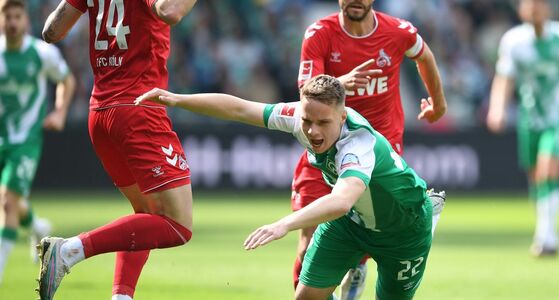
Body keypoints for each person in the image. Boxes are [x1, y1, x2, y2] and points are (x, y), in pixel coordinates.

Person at [136, 74, 436, 300]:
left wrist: (284, 224)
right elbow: (239, 109)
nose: (312, 131)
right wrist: (176, 99)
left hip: (404, 230)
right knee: (306, 296)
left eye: (323, 122)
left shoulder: (358, 143)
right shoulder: (297, 117)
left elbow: (341, 200)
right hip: (351, 224)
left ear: (342, 116)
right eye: (307, 120)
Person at [36, 1, 197, 299]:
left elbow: (51, 32)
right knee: (178, 225)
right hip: (138, 110)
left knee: (146, 215)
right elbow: (169, 11)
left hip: (100, 114)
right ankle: (70, 250)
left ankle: (121, 297)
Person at [295, 0, 447, 297]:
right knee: (307, 243)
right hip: (326, 149)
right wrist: (340, 84)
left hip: (377, 154)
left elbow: (424, 56)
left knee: (375, 225)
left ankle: (364, 258)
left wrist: (438, 104)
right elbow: (306, 92)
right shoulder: (319, 33)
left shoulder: (398, 31)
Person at [486, 0, 559, 257]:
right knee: (536, 176)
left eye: (539, 3)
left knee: (548, 169)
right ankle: (546, 230)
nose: (534, 8)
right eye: (529, 3)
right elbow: (504, 79)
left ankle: (547, 237)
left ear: (548, 8)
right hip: (530, 118)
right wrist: (497, 108)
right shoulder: (513, 41)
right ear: (521, 10)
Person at [0, 0, 74, 284]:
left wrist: (60, 112)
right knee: (11, 201)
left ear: (26, 20)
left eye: (17, 16)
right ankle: (36, 227)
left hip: (26, 140)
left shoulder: (41, 53)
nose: (12, 22)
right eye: (7, 17)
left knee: (7, 202)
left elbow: (67, 81)